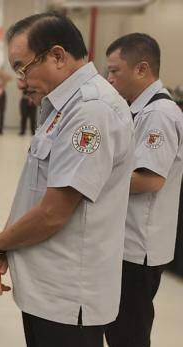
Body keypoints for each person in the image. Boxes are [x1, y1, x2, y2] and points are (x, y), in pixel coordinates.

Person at [0, 13, 134, 347]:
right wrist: (10, 243)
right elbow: (35, 191)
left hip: (67, 299)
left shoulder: (90, 112)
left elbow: (53, 212)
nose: (21, 82)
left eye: (23, 67)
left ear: (57, 55)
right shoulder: (62, 107)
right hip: (48, 290)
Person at [104, 33, 183, 347]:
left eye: (114, 71)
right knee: (121, 328)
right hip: (130, 240)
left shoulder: (158, 114)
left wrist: (94, 182)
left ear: (142, 69)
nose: (109, 79)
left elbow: (150, 179)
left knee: (129, 334)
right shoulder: (139, 109)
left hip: (140, 247)